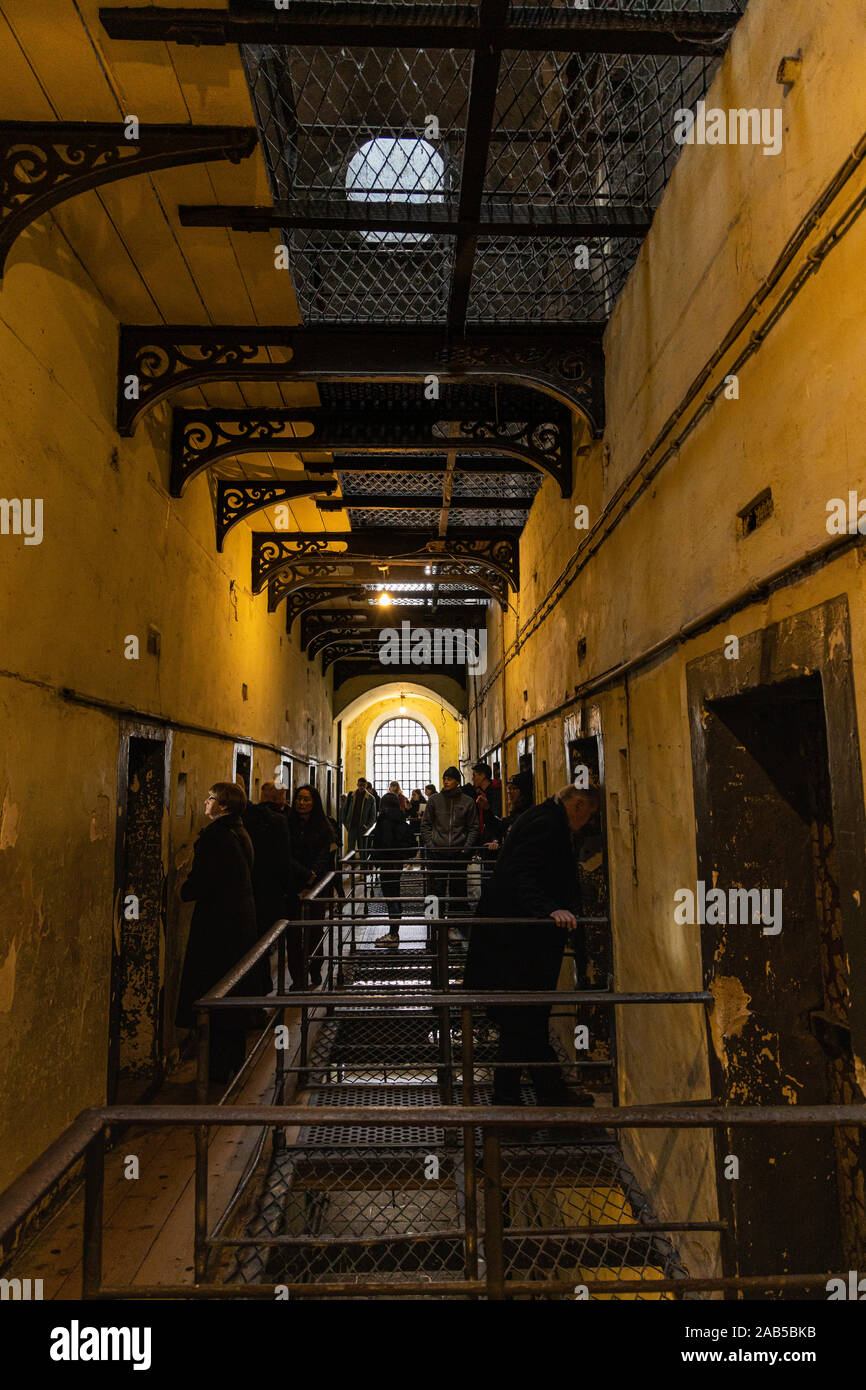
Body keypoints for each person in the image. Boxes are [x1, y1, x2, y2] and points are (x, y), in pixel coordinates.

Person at [463, 785, 599, 1109]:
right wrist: (548, 908)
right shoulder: (546, 824)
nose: (588, 823)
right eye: (590, 816)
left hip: (514, 940)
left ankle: (548, 1094)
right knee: (522, 1020)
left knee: (529, 1021)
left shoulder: (540, 816)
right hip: (517, 944)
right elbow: (521, 873)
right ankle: (508, 1103)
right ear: (578, 807)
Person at [176, 781, 258, 1084]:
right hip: (237, 922)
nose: (205, 802)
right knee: (231, 994)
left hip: (218, 925)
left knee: (214, 993)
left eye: (210, 799)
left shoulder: (216, 837)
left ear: (223, 806)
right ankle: (231, 1061)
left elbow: (206, 880)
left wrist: (184, 889)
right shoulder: (239, 831)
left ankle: (216, 1069)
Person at [421, 766, 479, 936]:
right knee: (434, 890)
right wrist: (431, 845)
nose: (446, 781)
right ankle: (433, 928)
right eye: (444, 778)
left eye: (450, 778)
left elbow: (473, 827)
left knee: (457, 890)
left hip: (458, 854)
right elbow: (425, 825)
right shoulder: (434, 800)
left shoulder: (467, 802)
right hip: (437, 853)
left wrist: (466, 848)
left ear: (457, 782)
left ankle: (456, 927)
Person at [289, 784, 334, 987]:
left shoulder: (323, 827)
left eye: (306, 799)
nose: (301, 803)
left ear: (314, 803)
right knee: (293, 934)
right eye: (299, 798)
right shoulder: (287, 825)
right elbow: (285, 853)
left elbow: (324, 855)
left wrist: (312, 877)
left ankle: (315, 969)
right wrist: (302, 876)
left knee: (314, 931)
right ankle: (298, 978)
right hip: (292, 885)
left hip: (316, 886)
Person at [369, 793, 417, 948]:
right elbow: (410, 844)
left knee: (391, 897)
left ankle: (393, 934)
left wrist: (376, 857)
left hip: (387, 862)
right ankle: (394, 932)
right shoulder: (401, 819)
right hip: (397, 862)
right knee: (395, 895)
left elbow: (383, 842)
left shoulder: (384, 820)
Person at [483, 771, 533, 852]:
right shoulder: (514, 813)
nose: (509, 792)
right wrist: (486, 808)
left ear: (523, 792)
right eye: (509, 788)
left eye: (514, 788)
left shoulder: (527, 814)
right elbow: (500, 828)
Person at [341, 776, 376, 855]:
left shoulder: (370, 799)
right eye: (360, 785)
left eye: (363, 785)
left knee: (363, 850)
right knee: (350, 850)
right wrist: (347, 824)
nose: (362, 787)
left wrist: (367, 826)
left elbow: (372, 816)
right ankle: (351, 866)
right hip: (352, 826)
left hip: (362, 828)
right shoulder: (351, 796)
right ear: (357, 784)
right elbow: (344, 811)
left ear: (366, 785)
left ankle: (363, 866)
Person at [471, 760, 503, 846]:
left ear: (482, 776)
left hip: (493, 839)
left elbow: (496, 818)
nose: (472, 779)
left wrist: (495, 840)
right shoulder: (481, 793)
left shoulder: (496, 793)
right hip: (484, 836)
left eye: (474, 775)